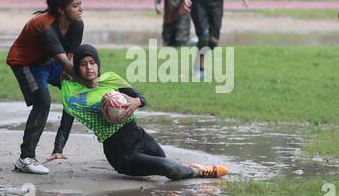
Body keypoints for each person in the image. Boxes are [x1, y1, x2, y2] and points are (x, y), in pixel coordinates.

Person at [57, 44, 228, 180]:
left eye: (92, 62)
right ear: (77, 68)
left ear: (98, 64)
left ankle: (186, 169)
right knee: (169, 168)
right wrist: (58, 149)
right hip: (120, 151)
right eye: (83, 64)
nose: (89, 68)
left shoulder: (110, 79)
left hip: (139, 136)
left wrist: (135, 102)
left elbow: (140, 97)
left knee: (162, 159)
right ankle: (200, 172)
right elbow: (65, 124)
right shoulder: (76, 97)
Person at [6, 0, 84, 174]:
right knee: (43, 102)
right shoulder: (43, 25)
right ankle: (25, 158)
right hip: (26, 63)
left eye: (81, 4)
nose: (81, 9)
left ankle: (59, 148)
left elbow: (70, 56)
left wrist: (74, 80)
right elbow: (63, 61)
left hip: (50, 62)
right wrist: (89, 81)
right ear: (60, 9)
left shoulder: (77, 24)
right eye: (76, 5)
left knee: (74, 90)